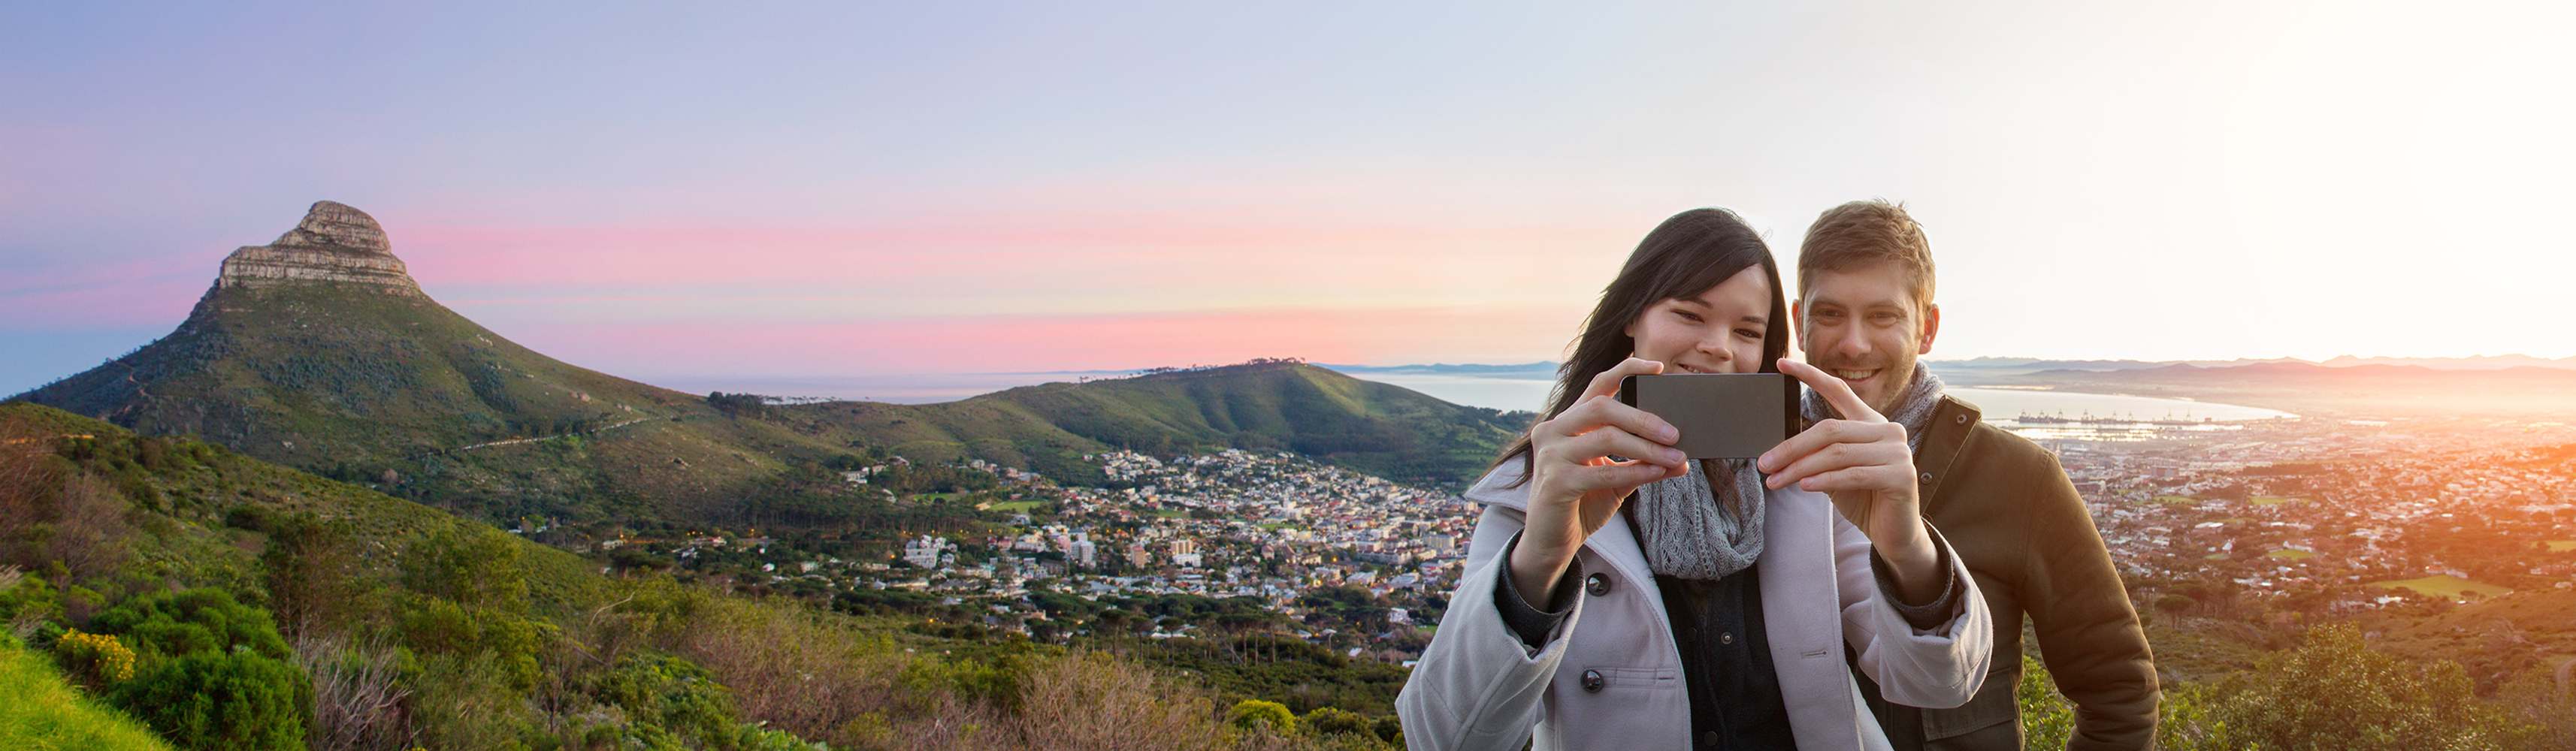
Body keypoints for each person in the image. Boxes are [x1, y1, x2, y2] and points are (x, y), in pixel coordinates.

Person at [1395, 207, 1992, 750]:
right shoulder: (1546, 486)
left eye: (1747, 332)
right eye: (1689, 315)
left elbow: (1938, 682)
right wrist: (1541, 561)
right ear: (1633, 316)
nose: (1717, 348)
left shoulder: (1797, 475)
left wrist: (1907, 544)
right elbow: (1444, 738)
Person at [1789, 201, 2157, 749]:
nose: (1853, 343)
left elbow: (2119, 692)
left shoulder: (2019, 478)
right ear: (1798, 322)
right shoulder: (1755, 469)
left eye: (1883, 316)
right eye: (1830, 314)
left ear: (1927, 327)